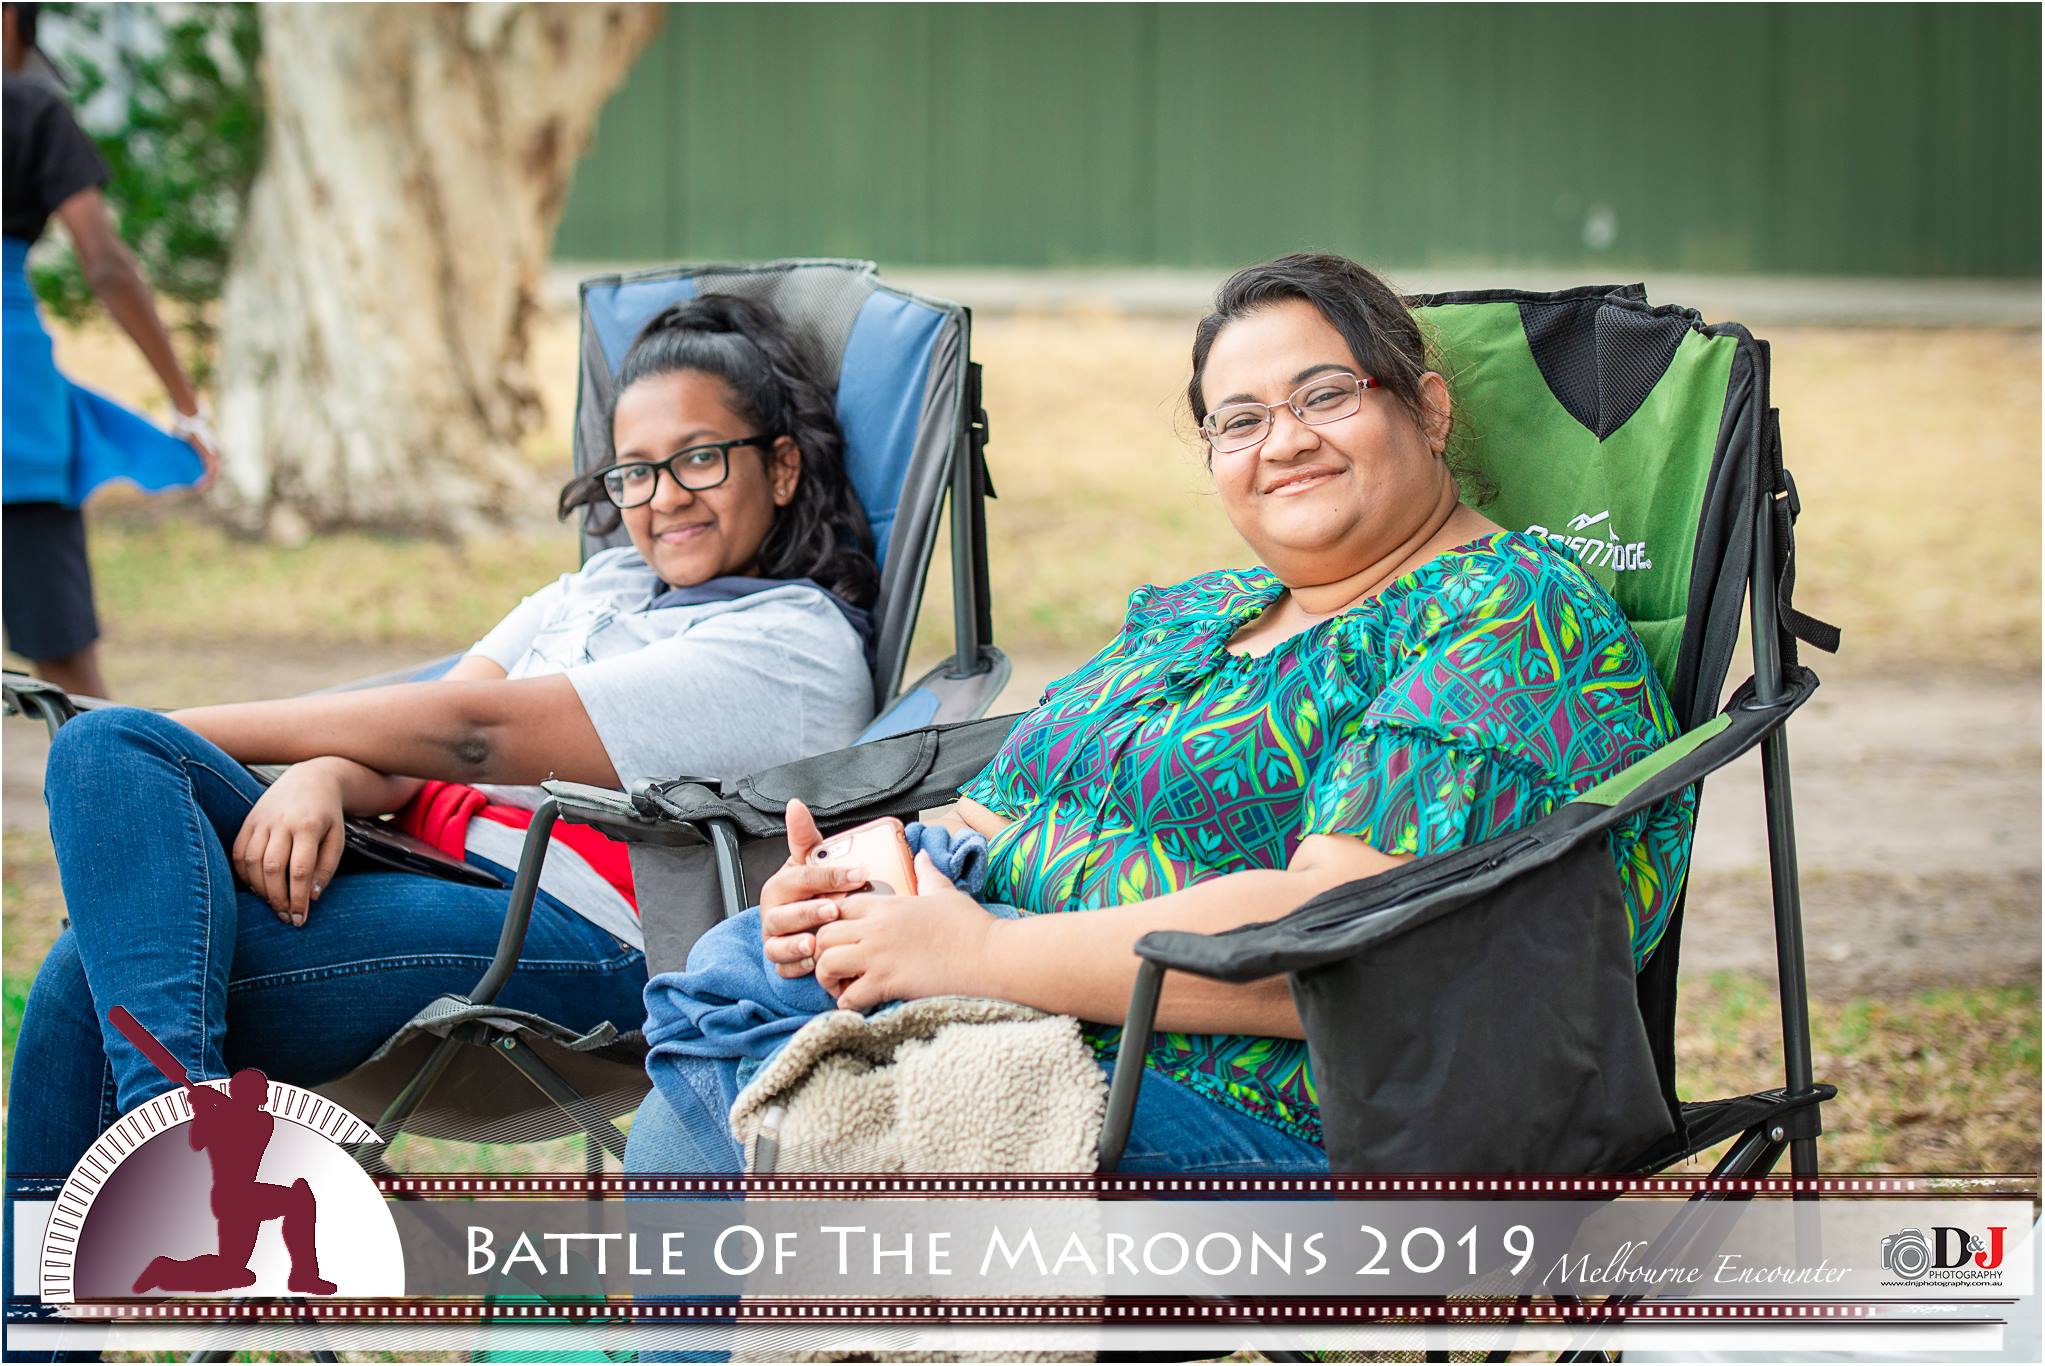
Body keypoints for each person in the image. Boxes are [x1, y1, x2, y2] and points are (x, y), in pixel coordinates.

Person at [626, 253, 1698, 1176]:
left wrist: (979, 959)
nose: (1281, 442)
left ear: (1425, 408)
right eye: (1237, 420)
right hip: (1042, 1012)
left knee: (770, 1110)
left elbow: (1345, 949)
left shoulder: (1504, 613)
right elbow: (992, 817)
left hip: (1294, 1109)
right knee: (724, 1005)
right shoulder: (1197, 617)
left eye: (1324, 395)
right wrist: (873, 884)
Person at [5, 292, 881, 1188]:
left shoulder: (794, 644)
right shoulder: (603, 584)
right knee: (101, 765)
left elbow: (469, 733)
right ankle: (141, 1194)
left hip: (592, 931)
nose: (663, 499)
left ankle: (179, 1158)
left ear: (779, 467)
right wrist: (321, 777)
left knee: (103, 849)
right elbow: (428, 730)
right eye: (634, 472)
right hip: (425, 860)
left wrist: (172, 729)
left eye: (698, 459)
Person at [2, 1, 219, 698]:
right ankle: (112, 795)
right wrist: (186, 404)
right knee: (68, 672)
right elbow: (106, 264)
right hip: (12, 420)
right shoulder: (29, 109)